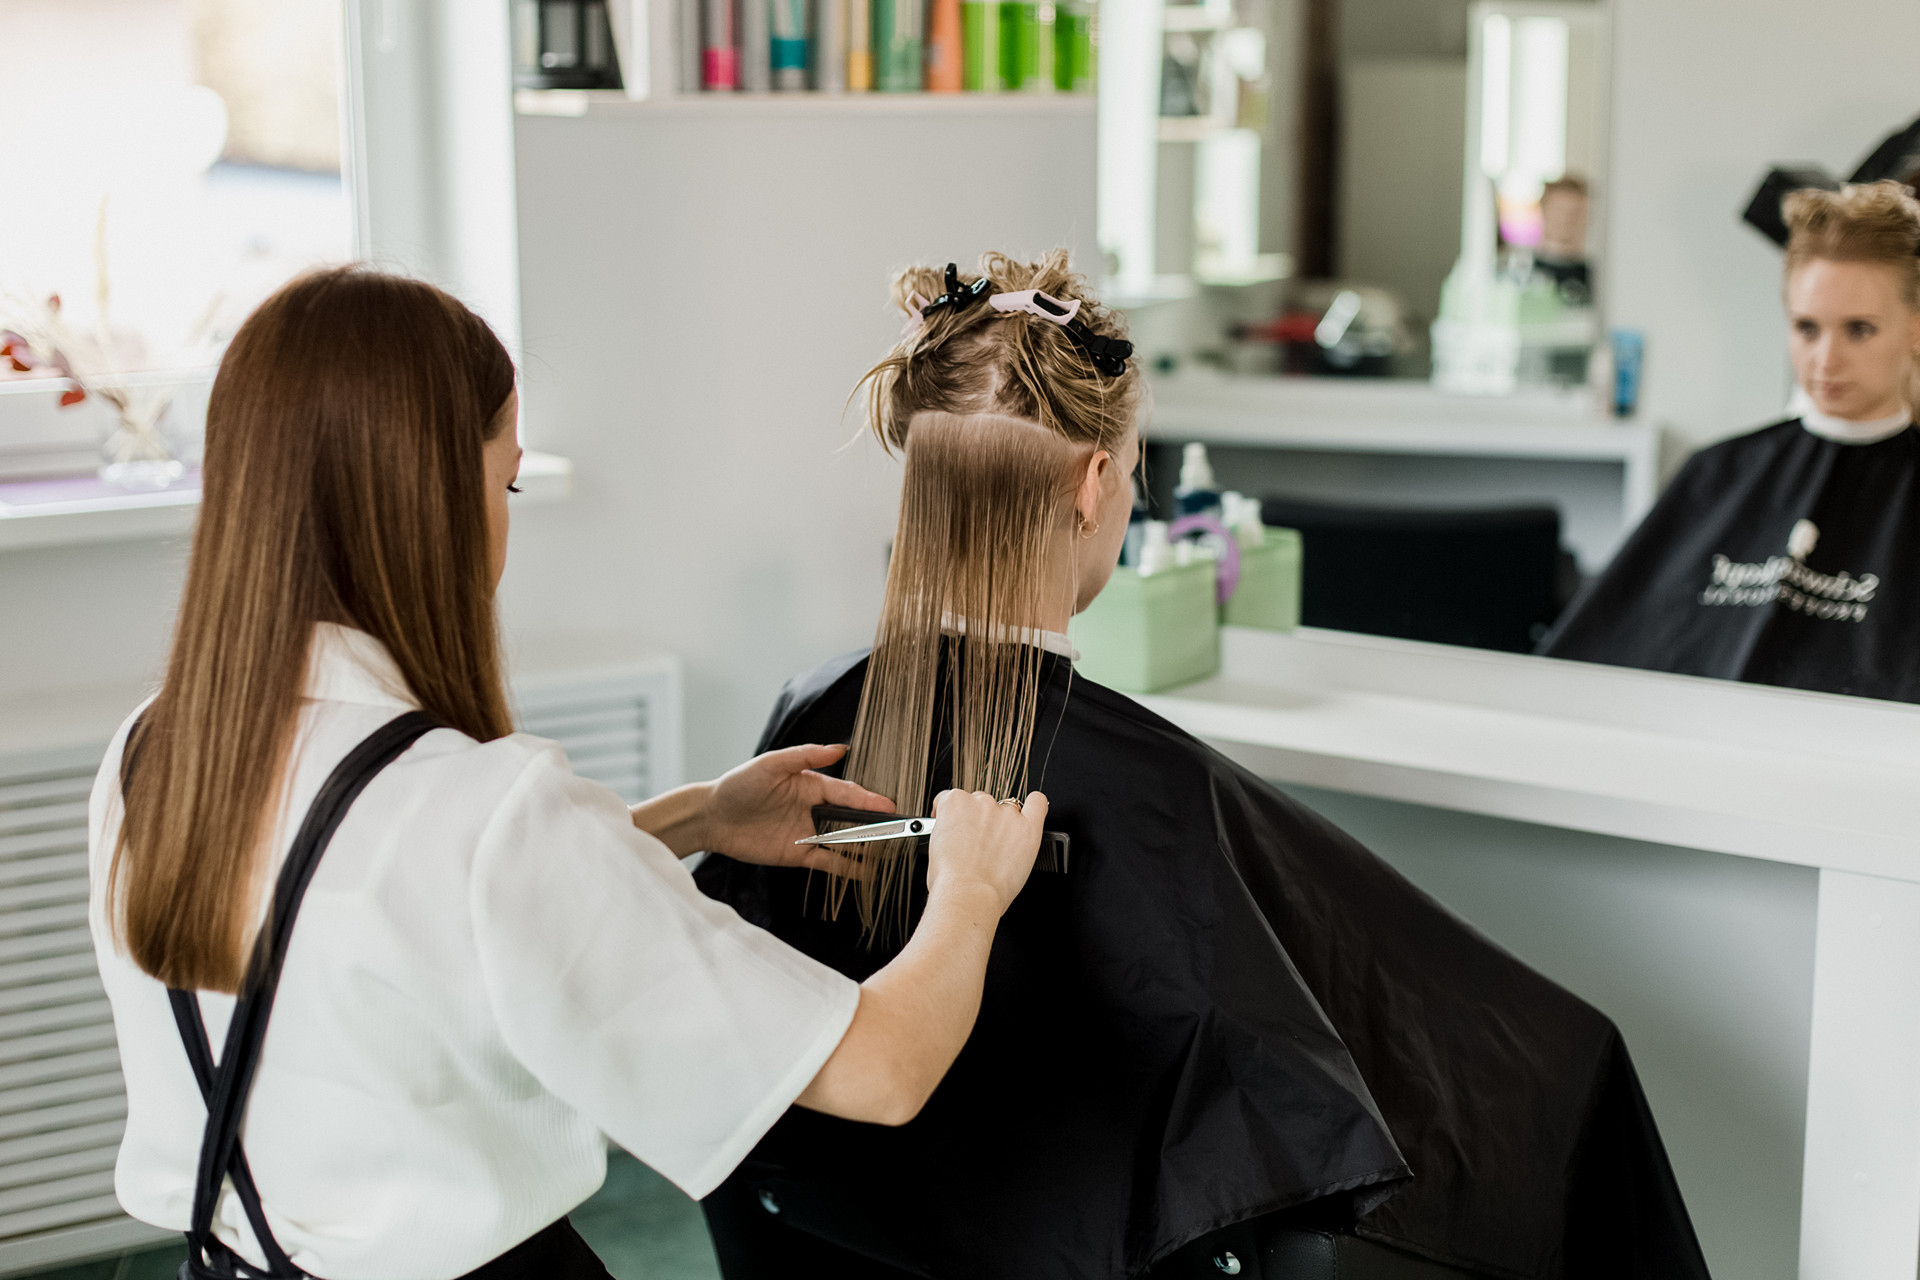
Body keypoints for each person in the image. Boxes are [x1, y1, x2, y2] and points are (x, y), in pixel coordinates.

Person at [695, 252, 1709, 1280]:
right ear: (1095, 485)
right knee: (1570, 1063)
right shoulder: (1156, 789)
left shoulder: (808, 721)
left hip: (846, 1239)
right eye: (1132, 468)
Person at [87, 265, 1051, 1280]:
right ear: (426, 501)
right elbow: (886, 1067)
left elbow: (392, 913)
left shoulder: (153, 750)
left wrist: (697, 815)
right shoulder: (485, 813)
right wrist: (971, 890)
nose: (505, 517)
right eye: (502, 481)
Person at [1542, 180, 1920, 698]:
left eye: (1858, 329)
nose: (1826, 360)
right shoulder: (1715, 473)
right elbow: (1588, 666)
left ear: (1915, 329)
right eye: (1807, 328)